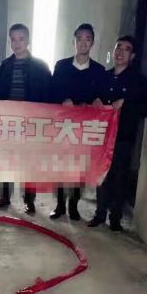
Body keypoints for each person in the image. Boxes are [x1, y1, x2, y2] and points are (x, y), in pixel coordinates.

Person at [88, 35, 147, 232]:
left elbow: (146, 109)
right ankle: (99, 214)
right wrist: (95, 101)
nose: (120, 52)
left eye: (126, 49)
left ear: (132, 56)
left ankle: (115, 218)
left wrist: (126, 103)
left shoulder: (138, 81)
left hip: (123, 137)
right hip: (102, 135)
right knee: (102, 175)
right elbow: (92, 99)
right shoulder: (104, 77)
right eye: (118, 47)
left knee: (119, 176)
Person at [0, 23, 51, 214]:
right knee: (6, 160)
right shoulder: (6, 65)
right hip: (9, 122)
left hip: (31, 123)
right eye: (13, 40)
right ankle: (4, 196)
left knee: (29, 162)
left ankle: (29, 200)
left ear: (28, 40)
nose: (17, 43)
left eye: (21, 39)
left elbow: (47, 96)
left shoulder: (40, 67)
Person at [49, 22, 106, 221]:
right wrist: (63, 99)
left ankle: (73, 205)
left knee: (79, 168)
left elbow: (100, 97)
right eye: (79, 38)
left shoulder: (99, 70)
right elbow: (52, 92)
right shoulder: (61, 66)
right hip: (64, 126)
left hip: (85, 127)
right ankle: (59, 205)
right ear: (73, 41)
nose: (83, 42)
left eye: (87, 39)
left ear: (92, 43)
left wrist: (94, 101)